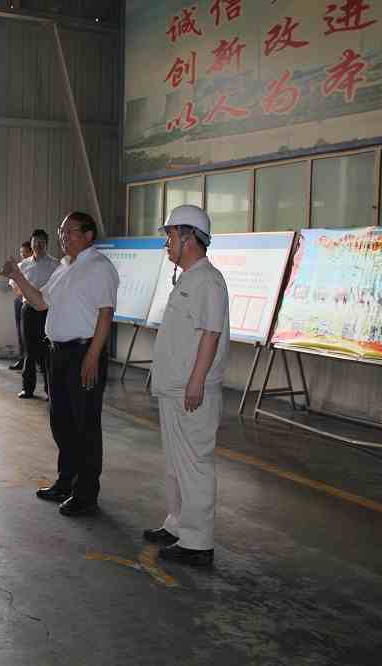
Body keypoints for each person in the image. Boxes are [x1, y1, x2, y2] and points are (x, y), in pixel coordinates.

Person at [3, 212, 119, 517]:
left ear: (89, 235)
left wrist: (92, 356)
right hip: (58, 354)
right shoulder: (65, 266)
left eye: (71, 232)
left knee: (85, 424)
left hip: (84, 353)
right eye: (62, 232)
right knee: (62, 421)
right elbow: (40, 301)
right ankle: (66, 481)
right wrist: (17, 275)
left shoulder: (99, 267)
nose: (64, 237)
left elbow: (106, 314)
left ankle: (86, 493)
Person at [144, 205, 229, 567]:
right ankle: (177, 524)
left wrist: (196, 381)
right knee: (176, 465)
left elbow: (211, 334)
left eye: (170, 236)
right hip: (174, 388)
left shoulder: (208, 280)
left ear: (188, 238)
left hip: (191, 391)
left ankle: (197, 542)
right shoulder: (189, 278)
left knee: (195, 464)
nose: (167, 243)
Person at [17, 230, 58, 399]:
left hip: (47, 310)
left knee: (47, 351)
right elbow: (15, 286)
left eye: (41, 242)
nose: (38, 245)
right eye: (35, 242)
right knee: (29, 350)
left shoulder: (55, 264)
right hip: (28, 311)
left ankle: (50, 391)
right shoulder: (23, 265)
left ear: (46, 244)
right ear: (31, 243)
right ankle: (27, 388)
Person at [9, 240, 33, 370]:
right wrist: (21, 293)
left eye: (25, 252)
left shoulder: (35, 266)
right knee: (21, 331)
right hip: (19, 300)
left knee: (34, 333)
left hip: (33, 302)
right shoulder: (18, 266)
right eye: (21, 252)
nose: (23, 254)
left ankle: (36, 361)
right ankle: (22, 359)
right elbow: (13, 285)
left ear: (31, 251)